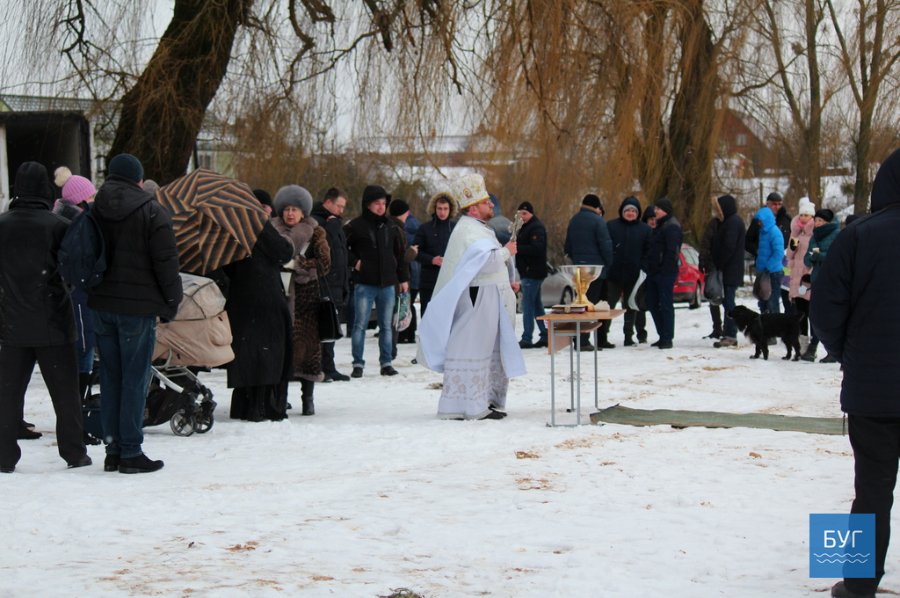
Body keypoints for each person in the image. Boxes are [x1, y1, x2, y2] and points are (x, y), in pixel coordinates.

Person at [810, 148, 900, 598]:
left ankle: (857, 583)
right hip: (872, 383)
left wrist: (848, 353)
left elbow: (824, 311)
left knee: (869, 490)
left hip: (873, 390)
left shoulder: (857, 236)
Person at [89, 153, 182, 474]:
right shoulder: (152, 211)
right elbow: (166, 262)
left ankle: (113, 449)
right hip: (138, 309)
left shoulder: (94, 209)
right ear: (138, 180)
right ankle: (130, 450)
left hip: (102, 305)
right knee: (134, 378)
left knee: (111, 377)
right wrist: (171, 302)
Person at [0, 162, 92, 473]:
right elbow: (74, 271)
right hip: (54, 322)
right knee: (66, 394)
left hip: (12, 323)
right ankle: (74, 452)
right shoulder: (58, 226)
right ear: (45, 189)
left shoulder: (2, 225)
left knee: (8, 394)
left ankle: (4, 456)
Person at [418, 173, 524, 420]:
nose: (491, 205)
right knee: (476, 350)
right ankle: (470, 406)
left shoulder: (477, 228)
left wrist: (509, 277)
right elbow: (482, 264)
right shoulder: (468, 230)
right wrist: (507, 252)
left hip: (489, 298)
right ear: (474, 208)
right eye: (486, 202)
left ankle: (484, 401)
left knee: (487, 351)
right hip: (479, 299)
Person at [224, 220, 294, 421]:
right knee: (267, 352)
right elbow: (283, 252)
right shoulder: (257, 223)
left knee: (246, 351)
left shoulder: (227, 226)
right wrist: (285, 241)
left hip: (239, 296)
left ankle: (245, 406)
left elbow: (226, 266)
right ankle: (262, 406)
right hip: (265, 296)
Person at [272, 185, 331, 416]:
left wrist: (300, 264)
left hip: (307, 300)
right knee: (281, 349)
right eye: (286, 209)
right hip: (279, 294)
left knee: (308, 350)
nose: (290, 214)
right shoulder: (272, 230)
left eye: (295, 209)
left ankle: (308, 399)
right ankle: (280, 399)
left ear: (303, 212)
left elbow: (325, 264)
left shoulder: (316, 232)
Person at [345, 185, 409, 378]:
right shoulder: (354, 226)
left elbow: (400, 254)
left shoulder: (392, 226)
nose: (381, 207)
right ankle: (358, 363)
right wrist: (355, 262)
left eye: (383, 203)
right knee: (360, 325)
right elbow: (340, 248)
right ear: (367, 204)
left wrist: (403, 278)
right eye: (377, 203)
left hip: (388, 283)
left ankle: (386, 363)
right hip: (364, 283)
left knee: (387, 325)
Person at [53, 175, 99, 401]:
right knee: (82, 347)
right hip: (78, 296)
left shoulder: (65, 220)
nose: (94, 200)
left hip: (76, 295)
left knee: (82, 346)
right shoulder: (76, 225)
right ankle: (77, 402)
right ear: (80, 200)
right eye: (91, 196)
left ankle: (77, 401)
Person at [310, 187, 351, 382]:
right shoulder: (317, 221)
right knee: (323, 327)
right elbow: (324, 249)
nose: (341, 210)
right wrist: (333, 227)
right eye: (339, 206)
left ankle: (329, 365)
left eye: (343, 207)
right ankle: (319, 367)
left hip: (336, 283)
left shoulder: (334, 221)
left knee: (331, 327)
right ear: (328, 203)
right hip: (324, 282)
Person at [564, 193, 614, 350]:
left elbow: (568, 246)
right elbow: (606, 245)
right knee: (595, 305)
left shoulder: (574, 220)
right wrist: (609, 263)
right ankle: (587, 340)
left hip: (578, 270)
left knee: (581, 304)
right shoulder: (598, 221)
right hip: (595, 271)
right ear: (596, 206)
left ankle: (579, 337)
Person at [605, 196, 651, 346]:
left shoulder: (645, 230)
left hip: (634, 275)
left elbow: (648, 251)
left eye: (633, 211)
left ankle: (629, 336)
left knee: (631, 306)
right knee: (609, 305)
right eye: (627, 210)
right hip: (614, 274)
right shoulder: (611, 226)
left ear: (638, 213)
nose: (630, 213)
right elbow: (606, 247)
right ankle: (603, 336)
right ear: (622, 211)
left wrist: (642, 267)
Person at [801, 208, 841, 363]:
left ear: (827, 222)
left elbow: (837, 257)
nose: (817, 223)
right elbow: (807, 259)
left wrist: (820, 256)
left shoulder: (837, 234)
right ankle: (813, 348)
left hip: (831, 280)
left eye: (820, 221)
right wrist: (810, 258)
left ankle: (832, 351)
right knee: (815, 314)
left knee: (829, 316)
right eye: (816, 220)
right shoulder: (814, 236)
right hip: (816, 279)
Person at [642, 197, 682, 349]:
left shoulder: (672, 226)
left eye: (658, 209)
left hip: (664, 273)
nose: (655, 211)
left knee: (665, 304)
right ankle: (662, 334)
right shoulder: (660, 225)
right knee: (652, 303)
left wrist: (664, 269)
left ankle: (667, 337)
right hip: (654, 272)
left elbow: (672, 252)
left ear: (665, 210)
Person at [711, 194, 747, 349]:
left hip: (730, 270)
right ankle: (728, 333)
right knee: (727, 301)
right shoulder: (732, 221)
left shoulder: (732, 222)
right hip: (731, 269)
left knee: (729, 303)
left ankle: (731, 334)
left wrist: (719, 262)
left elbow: (728, 246)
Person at [413, 191, 456, 316]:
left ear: (450, 210)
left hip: (450, 281)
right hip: (429, 282)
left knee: (448, 317)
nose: (442, 212)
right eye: (439, 208)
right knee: (427, 316)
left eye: (445, 209)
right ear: (434, 209)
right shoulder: (424, 228)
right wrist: (432, 260)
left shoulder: (456, 228)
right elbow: (416, 253)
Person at [746, 191, 791, 311]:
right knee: (764, 297)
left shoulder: (786, 219)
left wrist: (792, 250)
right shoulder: (758, 221)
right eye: (774, 204)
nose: (777, 207)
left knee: (784, 295)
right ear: (767, 204)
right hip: (764, 265)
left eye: (779, 204)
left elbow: (793, 239)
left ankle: (784, 319)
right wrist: (758, 252)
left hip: (784, 263)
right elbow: (748, 241)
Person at [515, 201, 549, 349]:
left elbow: (537, 248)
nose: (522, 216)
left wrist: (517, 248)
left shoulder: (536, 227)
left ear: (531, 213)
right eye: (519, 214)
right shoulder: (523, 227)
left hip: (533, 272)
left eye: (525, 213)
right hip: (528, 271)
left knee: (527, 305)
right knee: (536, 305)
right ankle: (545, 334)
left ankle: (527, 337)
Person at [388, 199, 419, 353]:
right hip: (403, 275)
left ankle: (398, 339)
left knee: (396, 309)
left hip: (393, 277)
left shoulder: (387, 226)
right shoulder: (401, 229)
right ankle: (402, 338)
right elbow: (402, 257)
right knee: (403, 306)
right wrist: (412, 252)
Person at [786, 198, 815, 337]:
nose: (803, 217)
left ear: (811, 216)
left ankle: (813, 341)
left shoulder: (814, 234)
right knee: (800, 312)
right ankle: (803, 340)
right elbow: (789, 255)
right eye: (801, 214)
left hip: (807, 276)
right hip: (796, 276)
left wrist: (810, 274)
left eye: (806, 215)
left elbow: (815, 256)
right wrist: (792, 247)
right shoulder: (795, 233)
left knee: (810, 311)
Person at [754, 204, 785, 314]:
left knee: (772, 303)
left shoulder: (774, 232)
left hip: (773, 272)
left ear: (766, 219)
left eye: (760, 221)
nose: (759, 223)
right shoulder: (762, 232)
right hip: (763, 272)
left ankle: (775, 324)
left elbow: (779, 253)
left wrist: (768, 266)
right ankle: (764, 323)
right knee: (762, 301)